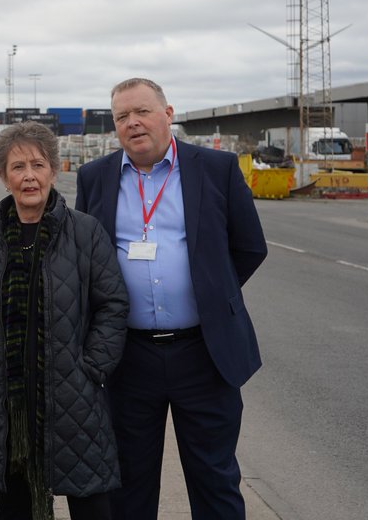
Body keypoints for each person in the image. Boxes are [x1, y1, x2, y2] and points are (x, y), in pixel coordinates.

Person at [75, 78, 268, 520]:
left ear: (168, 113)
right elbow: (87, 258)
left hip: (205, 354)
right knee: (128, 483)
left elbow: (250, 247)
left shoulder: (215, 168)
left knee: (214, 479)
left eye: (142, 111)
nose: (133, 123)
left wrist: (210, 296)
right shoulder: (95, 177)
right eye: (122, 116)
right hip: (128, 358)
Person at [0, 121, 130, 520]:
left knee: (91, 502)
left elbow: (113, 304)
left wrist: (92, 366)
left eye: (37, 165)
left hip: (72, 393)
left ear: (54, 171)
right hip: (7, 400)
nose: (29, 176)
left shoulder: (85, 232)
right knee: (15, 505)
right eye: (17, 167)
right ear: (4, 178)